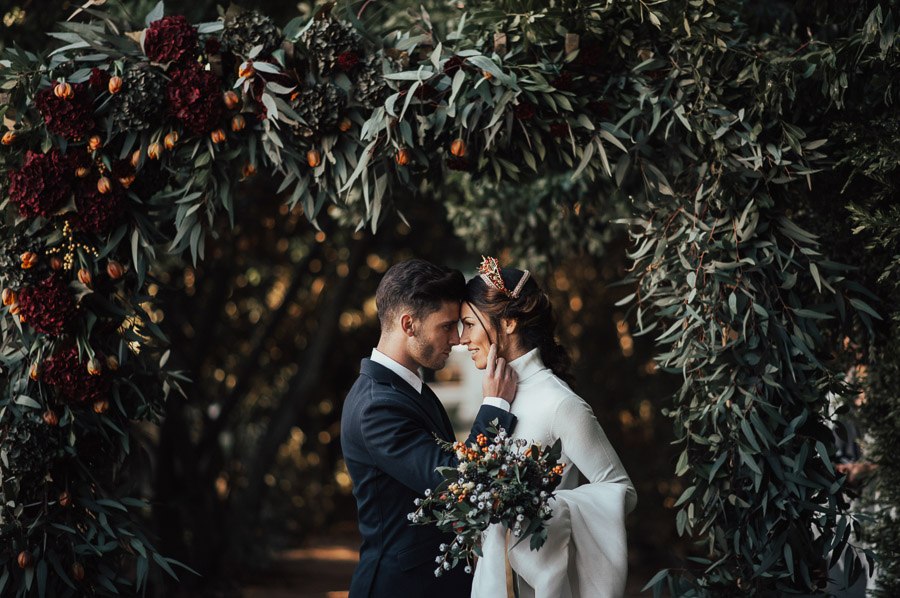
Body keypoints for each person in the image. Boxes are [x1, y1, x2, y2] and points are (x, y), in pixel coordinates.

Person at [341, 258, 519, 598]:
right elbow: (454, 480)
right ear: (409, 324)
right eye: (447, 326)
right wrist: (495, 405)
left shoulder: (407, 387)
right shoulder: (376, 407)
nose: (456, 339)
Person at [463, 256, 637, 598]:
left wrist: (545, 510)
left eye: (468, 324)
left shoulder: (561, 404)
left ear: (509, 321)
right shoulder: (496, 394)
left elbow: (621, 490)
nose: (461, 339)